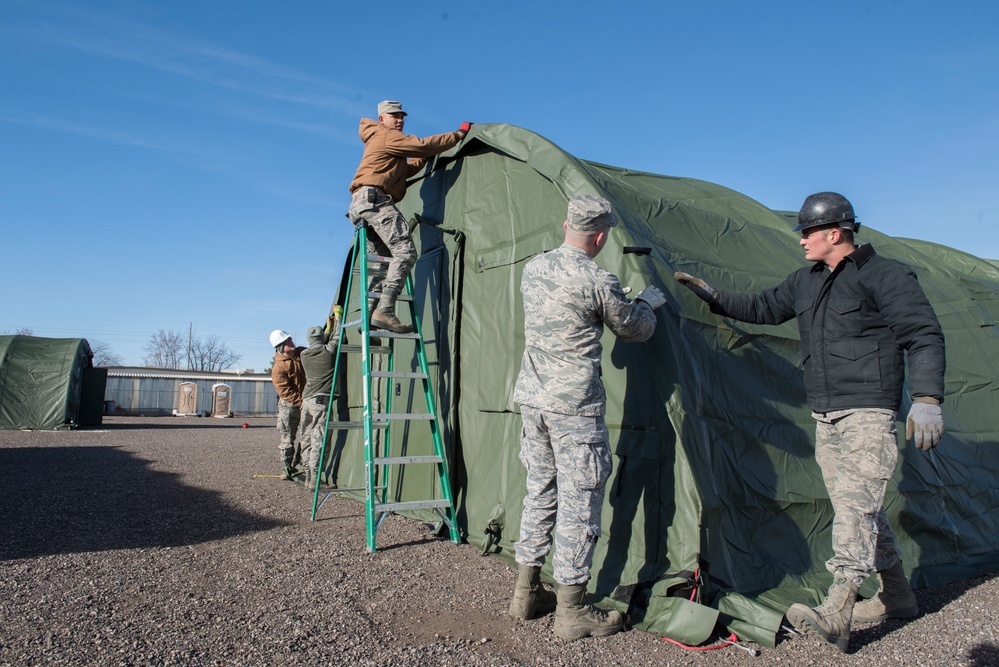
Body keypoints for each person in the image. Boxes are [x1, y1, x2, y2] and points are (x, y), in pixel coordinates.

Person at [674, 192, 945, 652]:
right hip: (826, 415)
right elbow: (764, 307)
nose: (801, 241)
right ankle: (897, 595)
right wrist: (715, 298)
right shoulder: (806, 281)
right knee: (858, 508)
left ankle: (838, 607)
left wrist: (926, 397)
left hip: (867, 412)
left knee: (856, 508)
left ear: (834, 233)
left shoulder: (886, 275)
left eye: (807, 233)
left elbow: (922, 334)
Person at [509, 195, 667, 641]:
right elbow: (635, 330)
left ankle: (526, 592)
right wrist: (648, 304)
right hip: (574, 408)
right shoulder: (597, 277)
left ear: (566, 225)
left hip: (534, 401)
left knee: (540, 490)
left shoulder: (533, 269)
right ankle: (571, 610)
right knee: (581, 500)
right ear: (600, 236)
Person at [347, 100, 472, 334]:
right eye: (394, 115)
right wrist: (458, 135)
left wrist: (425, 158)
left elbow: (405, 170)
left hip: (362, 203)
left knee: (383, 264)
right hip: (375, 200)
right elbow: (421, 144)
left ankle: (369, 319)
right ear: (382, 118)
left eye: (402, 116)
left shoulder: (382, 140)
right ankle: (384, 310)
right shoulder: (385, 134)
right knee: (405, 252)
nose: (400, 119)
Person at [299, 308, 342, 491]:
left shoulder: (304, 355)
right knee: (319, 440)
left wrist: (326, 329)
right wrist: (338, 319)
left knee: (306, 439)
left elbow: (321, 341)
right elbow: (337, 337)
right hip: (320, 401)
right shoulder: (328, 352)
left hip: (306, 400)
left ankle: (308, 477)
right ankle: (316, 481)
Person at [269, 329, 307, 480]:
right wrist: (302, 402)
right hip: (289, 406)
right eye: (287, 342)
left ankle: (300, 466)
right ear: (280, 347)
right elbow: (285, 392)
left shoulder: (301, 354)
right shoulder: (279, 368)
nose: (291, 342)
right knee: (288, 439)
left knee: (306, 437)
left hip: (305, 402)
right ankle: (286, 469)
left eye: (290, 339)